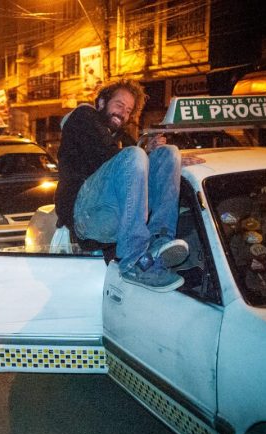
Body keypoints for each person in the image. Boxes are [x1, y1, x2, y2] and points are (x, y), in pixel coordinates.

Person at [54, 79, 188, 292]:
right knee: (134, 155)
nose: (123, 114)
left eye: (128, 110)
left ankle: (159, 241)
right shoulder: (84, 117)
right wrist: (140, 152)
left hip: (113, 213)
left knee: (168, 153)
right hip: (86, 214)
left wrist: (168, 158)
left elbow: (126, 163)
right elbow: (105, 153)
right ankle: (133, 260)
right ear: (100, 103)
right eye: (119, 105)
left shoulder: (120, 137)